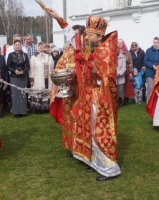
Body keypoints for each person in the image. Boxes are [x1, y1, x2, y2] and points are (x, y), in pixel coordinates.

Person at [48, 9, 121, 181]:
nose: (86, 37)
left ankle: (110, 168)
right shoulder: (91, 48)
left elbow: (106, 77)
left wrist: (92, 66)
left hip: (100, 99)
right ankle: (95, 163)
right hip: (88, 97)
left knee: (100, 133)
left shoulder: (106, 51)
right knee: (88, 133)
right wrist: (58, 18)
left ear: (98, 35)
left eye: (89, 35)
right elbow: (72, 37)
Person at [49, 24, 85, 157]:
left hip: (81, 93)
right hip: (68, 93)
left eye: (75, 35)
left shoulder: (85, 51)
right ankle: (72, 146)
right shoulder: (68, 51)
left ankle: (82, 148)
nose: (72, 38)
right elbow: (60, 66)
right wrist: (57, 73)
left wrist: (75, 74)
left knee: (80, 120)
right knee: (69, 120)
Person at [7, 39, 30, 117]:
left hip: (23, 76)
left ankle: (23, 111)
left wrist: (23, 71)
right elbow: (8, 66)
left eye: (19, 45)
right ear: (14, 46)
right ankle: (16, 112)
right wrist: (14, 71)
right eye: (16, 45)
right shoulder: (10, 55)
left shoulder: (25, 55)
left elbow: (28, 66)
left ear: (21, 46)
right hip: (14, 77)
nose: (17, 46)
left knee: (23, 93)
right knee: (15, 94)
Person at [29, 42, 54, 113]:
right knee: (38, 92)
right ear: (37, 47)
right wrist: (31, 79)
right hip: (38, 77)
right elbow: (31, 69)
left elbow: (52, 67)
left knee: (46, 92)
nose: (41, 47)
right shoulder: (34, 57)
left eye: (42, 46)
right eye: (39, 46)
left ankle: (46, 108)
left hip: (47, 77)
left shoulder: (49, 56)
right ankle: (38, 109)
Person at [144, 37, 159, 103]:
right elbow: (145, 60)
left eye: (156, 42)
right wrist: (152, 66)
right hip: (150, 72)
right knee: (150, 87)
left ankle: (157, 103)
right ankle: (149, 102)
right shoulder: (148, 50)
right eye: (154, 42)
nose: (155, 44)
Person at [118, 39, 134, 106]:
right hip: (119, 70)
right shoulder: (115, 51)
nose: (119, 45)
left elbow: (130, 62)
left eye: (120, 43)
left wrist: (131, 72)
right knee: (119, 86)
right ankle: (119, 101)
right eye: (118, 43)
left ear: (123, 44)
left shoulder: (127, 52)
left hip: (127, 70)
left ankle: (126, 100)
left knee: (127, 86)